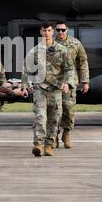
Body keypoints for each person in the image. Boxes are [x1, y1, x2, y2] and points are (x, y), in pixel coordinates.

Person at [22, 21, 73, 157]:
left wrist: (68, 83)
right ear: (40, 32)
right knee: (40, 116)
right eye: (44, 31)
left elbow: (69, 68)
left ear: (52, 32)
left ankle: (49, 144)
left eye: (49, 30)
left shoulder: (62, 50)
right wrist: (25, 85)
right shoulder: (35, 51)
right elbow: (26, 69)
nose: (47, 33)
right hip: (40, 88)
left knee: (55, 118)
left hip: (56, 89)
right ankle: (38, 144)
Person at [55, 21, 90, 149]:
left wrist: (85, 81)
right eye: (58, 30)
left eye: (63, 30)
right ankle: (54, 137)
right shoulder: (50, 44)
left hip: (70, 83)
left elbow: (83, 62)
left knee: (68, 110)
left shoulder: (75, 43)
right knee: (55, 111)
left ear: (67, 30)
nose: (60, 32)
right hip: (54, 83)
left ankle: (67, 133)